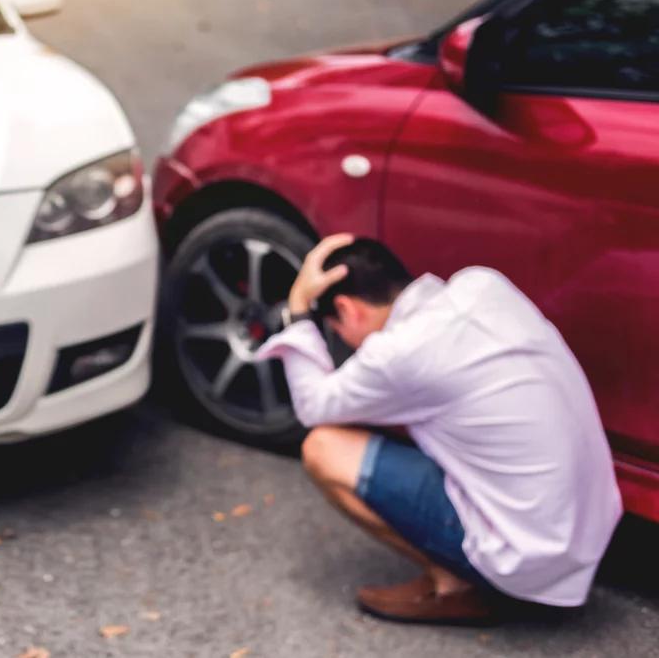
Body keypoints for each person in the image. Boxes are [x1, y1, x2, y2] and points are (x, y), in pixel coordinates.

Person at [256, 234, 622, 624]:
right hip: (588, 526)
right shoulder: (483, 284)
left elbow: (314, 407)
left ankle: (456, 586)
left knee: (323, 449)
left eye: (335, 327)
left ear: (348, 309)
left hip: (527, 555)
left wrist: (297, 310)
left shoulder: (399, 353)